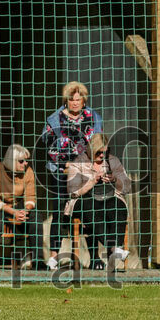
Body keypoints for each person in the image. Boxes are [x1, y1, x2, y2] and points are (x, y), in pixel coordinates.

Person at [39, 81, 102, 270]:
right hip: (61, 172)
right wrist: (65, 163)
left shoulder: (92, 117)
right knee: (59, 213)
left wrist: (91, 165)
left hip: (85, 172)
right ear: (66, 101)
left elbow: (98, 142)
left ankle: (95, 258)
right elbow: (48, 144)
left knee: (89, 212)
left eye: (78, 99)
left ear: (84, 100)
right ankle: (53, 258)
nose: (75, 103)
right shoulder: (55, 119)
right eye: (71, 99)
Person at [66, 134, 132, 268]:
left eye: (105, 152)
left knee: (118, 205)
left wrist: (114, 179)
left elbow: (127, 186)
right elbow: (72, 190)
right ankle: (114, 248)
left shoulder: (113, 161)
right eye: (99, 152)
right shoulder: (78, 162)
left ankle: (115, 248)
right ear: (91, 150)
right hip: (84, 200)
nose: (102, 155)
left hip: (108, 198)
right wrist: (92, 182)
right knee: (92, 207)